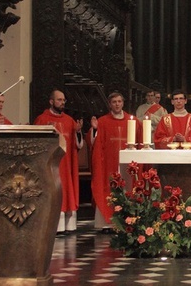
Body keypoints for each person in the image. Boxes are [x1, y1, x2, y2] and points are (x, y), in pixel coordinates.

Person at [34, 90, 83, 234]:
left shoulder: (69, 120)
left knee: (67, 190)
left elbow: (77, 145)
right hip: (50, 164)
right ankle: (54, 226)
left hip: (66, 163)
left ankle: (68, 225)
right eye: (59, 100)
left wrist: (78, 132)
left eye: (63, 100)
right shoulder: (42, 119)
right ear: (51, 101)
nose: (62, 103)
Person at [89, 92, 134, 229]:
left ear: (123, 103)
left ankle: (128, 222)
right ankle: (107, 224)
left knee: (127, 188)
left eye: (119, 101)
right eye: (114, 102)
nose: (117, 104)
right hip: (109, 161)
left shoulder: (132, 121)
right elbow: (93, 143)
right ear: (110, 104)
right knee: (108, 189)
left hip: (127, 163)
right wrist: (95, 130)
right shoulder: (102, 121)